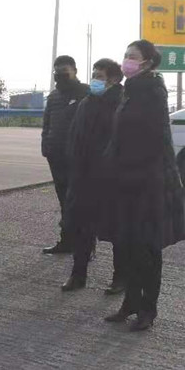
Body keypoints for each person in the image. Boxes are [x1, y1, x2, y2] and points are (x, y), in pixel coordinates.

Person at [104, 40, 184, 331]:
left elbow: (155, 139)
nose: (126, 60)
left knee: (147, 248)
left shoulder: (152, 91)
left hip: (147, 182)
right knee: (128, 244)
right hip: (126, 180)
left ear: (148, 62)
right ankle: (131, 302)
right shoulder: (131, 91)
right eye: (125, 55)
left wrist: (135, 169)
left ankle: (148, 309)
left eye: (132, 56)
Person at [61, 59, 126, 293]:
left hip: (110, 178)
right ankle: (78, 275)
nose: (95, 80)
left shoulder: (122, 104)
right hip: (83, 176)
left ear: (114, 79)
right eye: (94, 75)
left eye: (100, 76)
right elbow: (75, 136)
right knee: (81, 227)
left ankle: (120, 277)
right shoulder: (86, 102)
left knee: (117, 230)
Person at [41, 56, 89, 254]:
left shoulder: (86, 92)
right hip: (56, 156)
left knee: (80, 202)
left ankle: (85, 246)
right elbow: (47, 124)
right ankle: (67, 241)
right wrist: (46, 146)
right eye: (57, 72)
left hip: (78, 157)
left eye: (64, 71)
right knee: (64, 201)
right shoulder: (53, 96)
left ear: (75, 71)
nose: (60, 75)